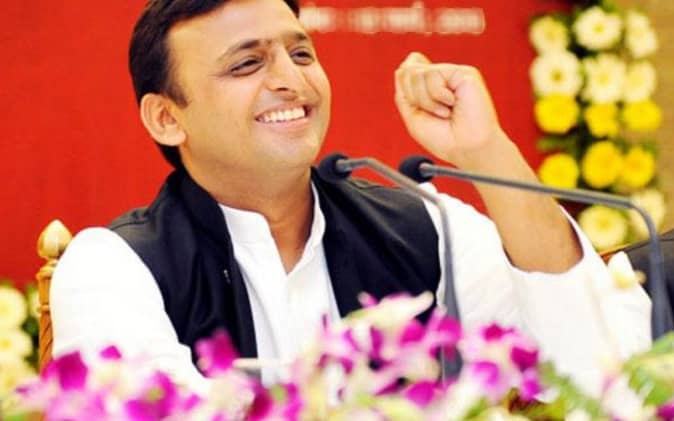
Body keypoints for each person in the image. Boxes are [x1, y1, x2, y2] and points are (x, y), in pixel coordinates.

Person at [51, 0, 650, 395]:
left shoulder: (423, 224)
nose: (291, 79)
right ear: (166, 117)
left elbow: (599, 364)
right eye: (247, 64)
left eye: (301, 53)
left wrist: (485, 151)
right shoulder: (113, 267)